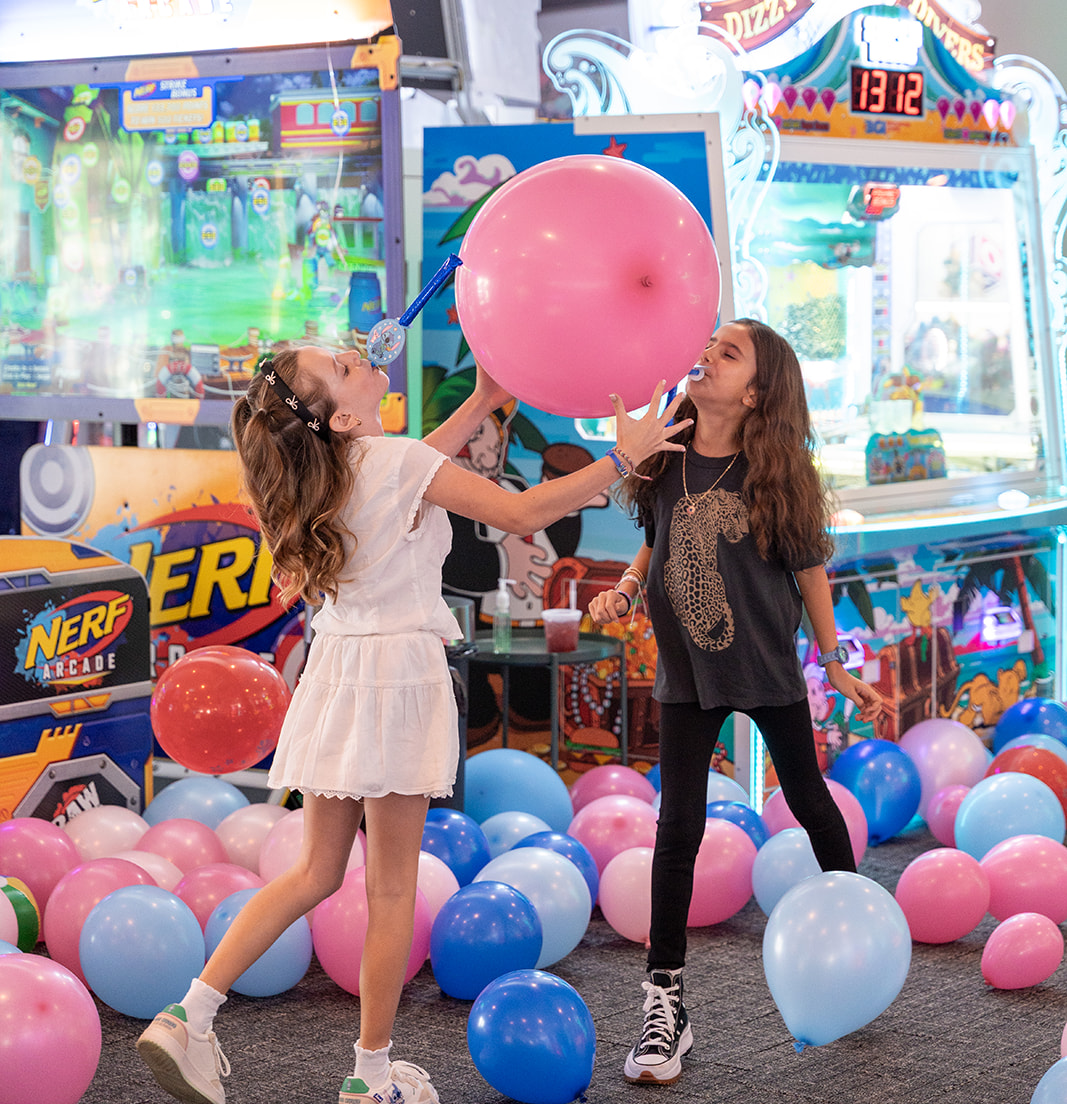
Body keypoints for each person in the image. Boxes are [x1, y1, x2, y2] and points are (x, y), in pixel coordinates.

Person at [137, 345, 689, 1104]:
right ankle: (369, 1076)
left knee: (313, 873)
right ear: (339, 413)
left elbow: (408, 471)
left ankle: (189, 1013)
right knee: (392, 890)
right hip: (396, 677)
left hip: (336, 674)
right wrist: (619, 458)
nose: (356, 353)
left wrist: (479, 402)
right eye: (338, 361)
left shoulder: (330, 471)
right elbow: (522, 512)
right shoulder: (386, 460)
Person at [588, 319, 883, 1086]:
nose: (705, 357)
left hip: (762, 663)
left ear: (754, 393)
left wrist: (832, 659)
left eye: (727, 353)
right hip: (688, 672)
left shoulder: (776, 474)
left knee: (812, 804)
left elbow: (811, 570)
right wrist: (624, 588)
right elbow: (653, 537)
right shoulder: (664, 457)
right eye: (708, 345)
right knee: (677, 825)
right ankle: (664, 1000)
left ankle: (860, 940)